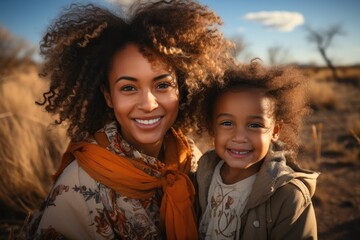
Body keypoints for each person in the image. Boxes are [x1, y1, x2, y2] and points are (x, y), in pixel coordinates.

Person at [27, 0, 233, 239]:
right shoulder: (78, 185)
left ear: (182, 89)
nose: (148, 104)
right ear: (108, 96)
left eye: (163, 85)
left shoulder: (193, 159)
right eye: (128, 88)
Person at [195, 60, 319, 239]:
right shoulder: (202, 173)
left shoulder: (289, 197)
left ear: (275, 130)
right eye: (227, 123)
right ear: (211, 127)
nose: (239, 137)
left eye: (254, 125)